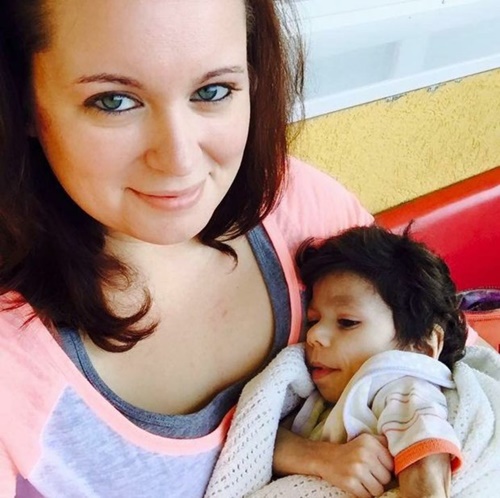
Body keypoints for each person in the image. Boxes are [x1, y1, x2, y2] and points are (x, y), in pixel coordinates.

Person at [0, 1, 391, 496]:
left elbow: (444, 365)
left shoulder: (304, 207)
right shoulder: (13, 366)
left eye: (212, 91)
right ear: (24, 101)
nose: (179, 160)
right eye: (114, 101)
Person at [287, 225, 468, 497]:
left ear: (421, 346)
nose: (314, 335)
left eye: (347, 322)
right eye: (313, 321)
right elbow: (261, 439)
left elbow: (425, 467)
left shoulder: (402, 384)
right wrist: (323, 457)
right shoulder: (321, 398)